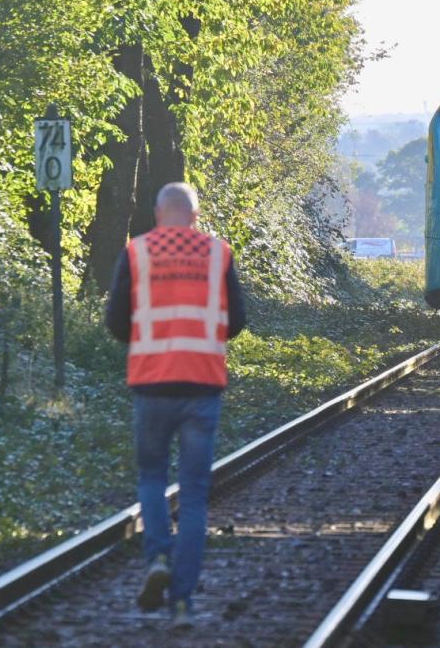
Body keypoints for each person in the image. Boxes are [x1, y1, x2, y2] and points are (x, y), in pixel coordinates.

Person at [104, 182, 246, 628]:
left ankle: (157, 560)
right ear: (195, 215)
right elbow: (237, 320)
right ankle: (183, 600)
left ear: (156, 213)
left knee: (151, 477)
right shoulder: (218, 253)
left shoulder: (137, 252)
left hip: (151, 384)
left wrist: (149, 344)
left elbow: (114, 320)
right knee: (196, 492)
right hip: (202, 384)